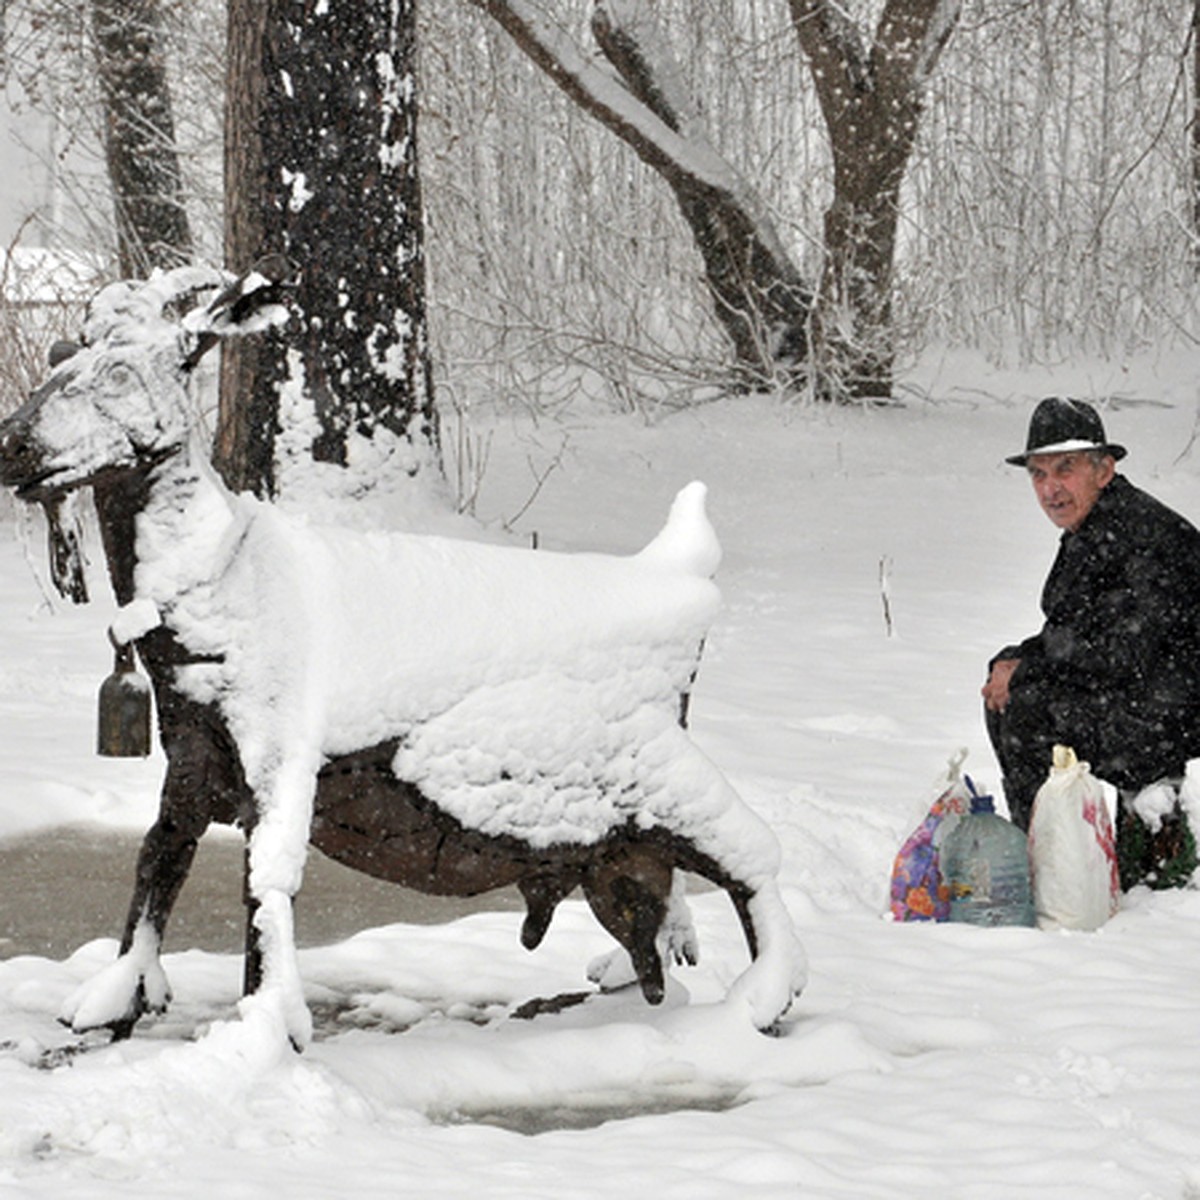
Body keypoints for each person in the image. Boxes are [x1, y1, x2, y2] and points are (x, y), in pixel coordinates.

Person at [982, 396, 1200, 833]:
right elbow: (1073, 627)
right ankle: (1054, 848)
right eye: (1038, 474)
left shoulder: (1139, 534)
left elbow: (1126, 653)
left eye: (1065, 469)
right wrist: (1015, 661)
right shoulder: (1095, 524)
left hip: (1175, 705)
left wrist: (1027, 669)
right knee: (1005, 681)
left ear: (1104, 470)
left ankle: (1054, 854)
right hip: (1149, 690)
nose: (1050, 489)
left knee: (1026, 703)